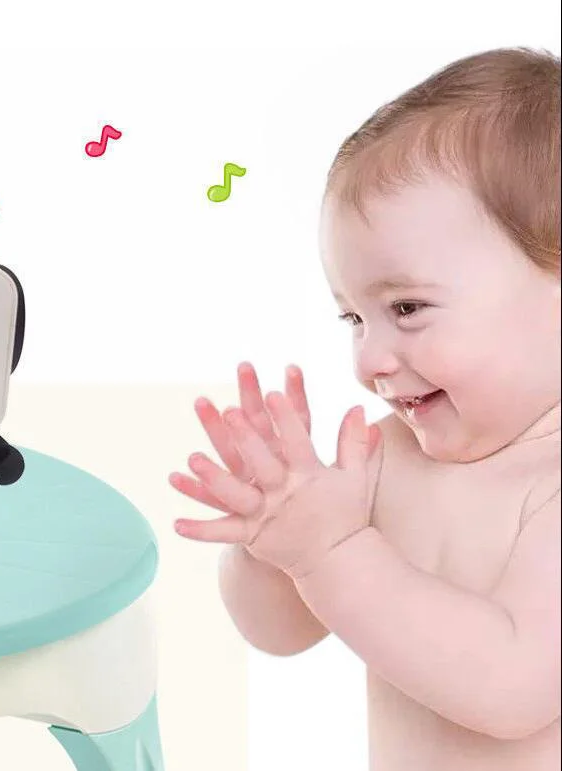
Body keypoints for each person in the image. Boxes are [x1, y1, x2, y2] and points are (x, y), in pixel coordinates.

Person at [170, 47, 561, 770]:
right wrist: (276, 538)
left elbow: (513, 690)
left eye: (406, 308)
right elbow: (279, 632)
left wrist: (332, 552)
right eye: (353, 317)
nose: (368, 359)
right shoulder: (386, 456)